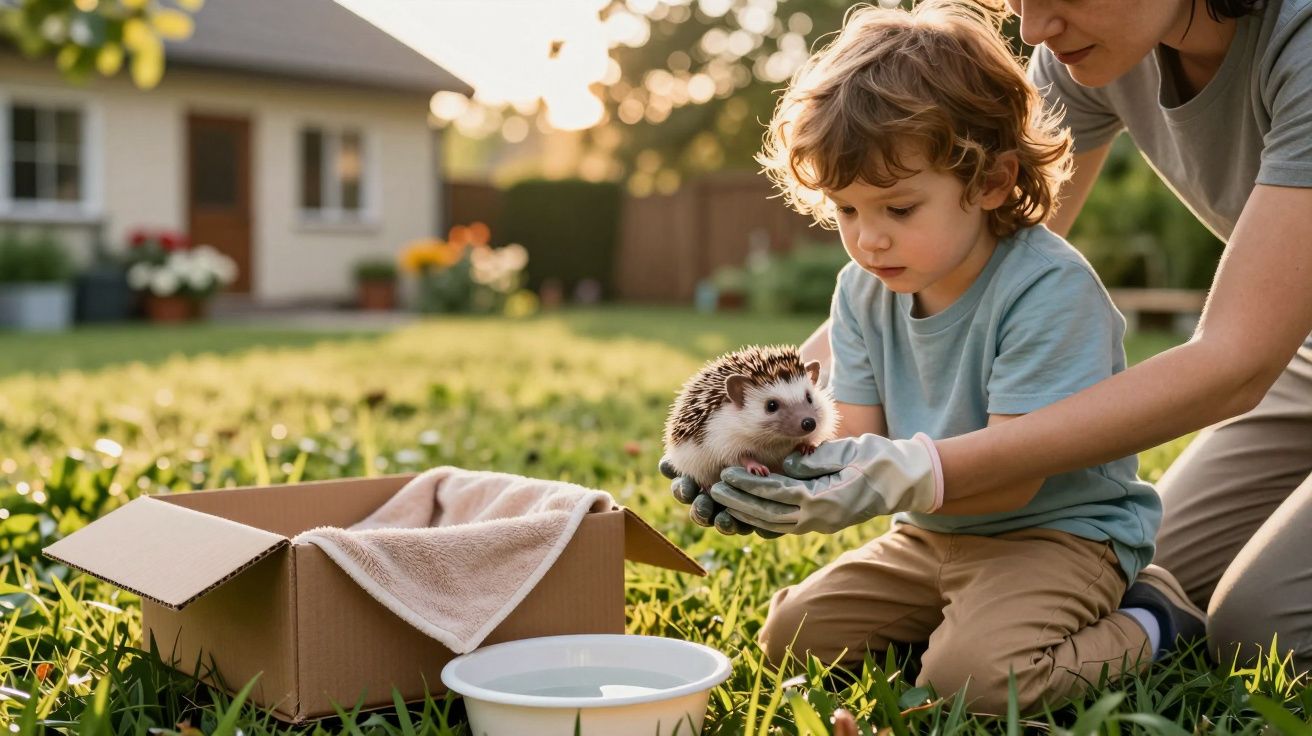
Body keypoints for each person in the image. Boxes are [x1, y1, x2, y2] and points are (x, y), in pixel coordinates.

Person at [698, 0, 1312, 678]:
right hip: (1303, 358)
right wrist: (738, 437)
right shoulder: (1095, 40)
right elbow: (966, 260)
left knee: (1259, 633)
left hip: (1060, 515)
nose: (1032, 31)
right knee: (1170, 571)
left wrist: (921, 471)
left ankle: (1120, 636)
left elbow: (1234, 360)